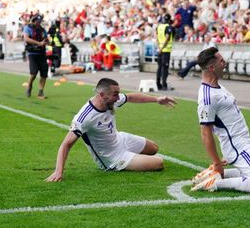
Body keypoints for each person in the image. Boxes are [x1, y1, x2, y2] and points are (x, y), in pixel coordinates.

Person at [46, 78, 176, 182]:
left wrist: (156, 99)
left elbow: (130, 97)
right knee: (159, 163)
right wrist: (59, 171)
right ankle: (130, 161)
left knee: (154, 148)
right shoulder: (85, 117)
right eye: (115, 94)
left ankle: (135, 159)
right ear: (102, 95)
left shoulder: (110, 100)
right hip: (113, 157)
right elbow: (66, 144)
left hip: (120, 139)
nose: (118, 97)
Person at [191, 47, 250, 194]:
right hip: (239, 146)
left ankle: (216, 174)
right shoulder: (207, 97)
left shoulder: (216, 85)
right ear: (212, 67)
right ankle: (217, 182)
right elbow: (206, 133)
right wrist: (217, 162)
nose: (225, 62)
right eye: (221, 61)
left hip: (241, 144)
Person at [23, 13, 48, 99]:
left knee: (44, 74)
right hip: (32, 53)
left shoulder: (42, 30)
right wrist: (39, 43)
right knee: (33, 73)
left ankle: (41, 92)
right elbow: (26, 38)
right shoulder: (27, 28)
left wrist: (47, 41)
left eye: (40, 21)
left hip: (42, 53)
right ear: (33, 21)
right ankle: (29, 86)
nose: (39, 23)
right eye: (37, 21)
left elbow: (46, 39)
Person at [156, 13, 174, 90]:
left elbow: (156, 38)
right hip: (165, 50)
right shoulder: (168, 27)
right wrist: (162, 48)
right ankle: (164, 85)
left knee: (159, 67)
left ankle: (158, 84)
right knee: (165, 68)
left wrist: (159, 48)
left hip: (159, 49)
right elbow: (167, 38)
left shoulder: (159, 26)